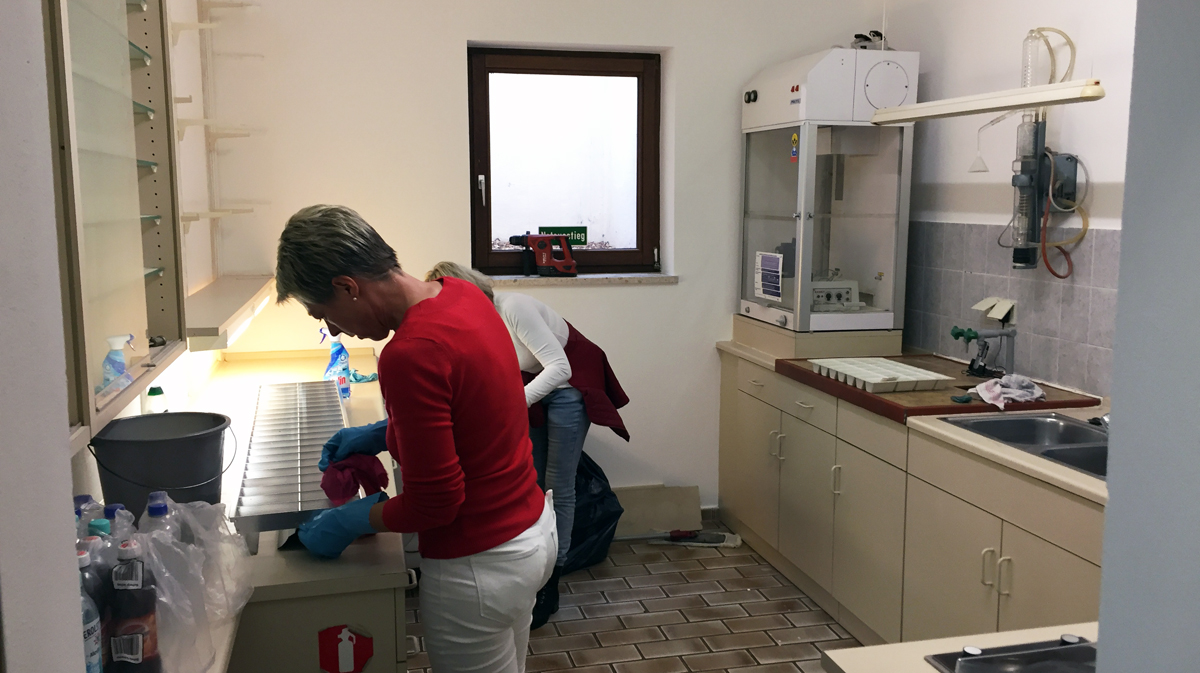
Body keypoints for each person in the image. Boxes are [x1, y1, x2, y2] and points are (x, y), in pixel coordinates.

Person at [275, 205, 555, 672]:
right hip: (532, 533)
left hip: (479, 564)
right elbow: (478, 411)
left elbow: (435, 504)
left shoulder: (409, 353)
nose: (334, 330)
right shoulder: (463, 295)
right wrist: (387, 433)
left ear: (347, 287)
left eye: (324, 314)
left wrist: (351, 520)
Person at [425, 262, 630, 628]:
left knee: (558, 485)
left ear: (467, 291)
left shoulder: (512, 307)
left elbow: (560, 368)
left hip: (568, 387)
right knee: (532, 480)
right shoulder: (474, 323)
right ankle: (536, 569)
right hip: (536, 387)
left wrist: (509, 405)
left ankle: (552, 581)